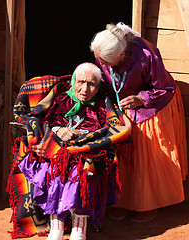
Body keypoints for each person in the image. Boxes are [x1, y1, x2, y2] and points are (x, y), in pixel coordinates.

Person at [90, 22, 188, 222]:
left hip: (154, 102)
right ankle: (124, 201)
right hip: (123, 105)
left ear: (122, 55)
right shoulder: (103, 52)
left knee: (145, 152)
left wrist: (141, 98)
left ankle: (147, 204)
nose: (103, 64)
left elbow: (164, 88)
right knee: (121, 151)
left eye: (108, 61)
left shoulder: (147, 54)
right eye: (100, 59)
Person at [17, 62, 119, 240]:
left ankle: (79, 229)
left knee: (81, 172)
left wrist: (82, 134)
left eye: (91, 84)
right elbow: (45, 122)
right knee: (55, 169)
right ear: (73, 82)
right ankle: (57, 225)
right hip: (57, 148)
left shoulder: (102, 105)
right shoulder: (60, 99)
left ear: (97, 87)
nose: (84, 89)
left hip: (88, 150)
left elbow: (108, 129)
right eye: (81, 82)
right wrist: (59, 131)